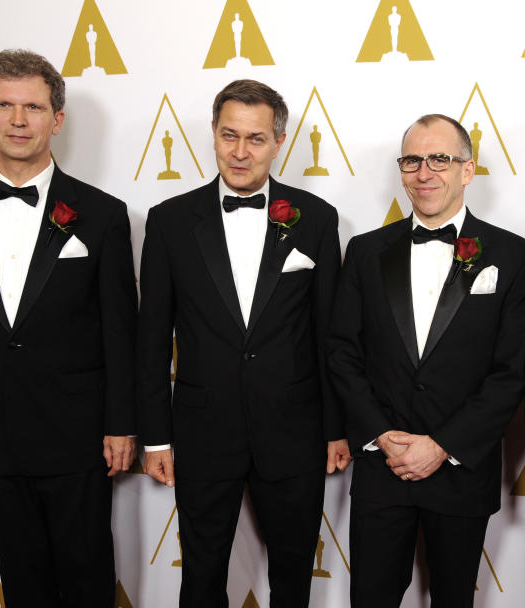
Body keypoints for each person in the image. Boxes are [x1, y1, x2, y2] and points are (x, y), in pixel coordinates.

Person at [0, 49, 137, 606]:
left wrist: (121, 423)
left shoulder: (103, 214)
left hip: (81, 436)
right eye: (5, 105)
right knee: (22, 582)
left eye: (34, 108)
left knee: (88, 578)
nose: (19, 120)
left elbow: (120, 330)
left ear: (57, 119)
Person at [137, 79, 348, 607]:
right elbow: (151, 338)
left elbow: (331, 335)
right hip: (203, 430)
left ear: (278, 141)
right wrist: (156, 438)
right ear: (212, 134)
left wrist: (336, 428)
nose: (239, 151)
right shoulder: (169, 222)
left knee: (294, 572)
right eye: (229, 135)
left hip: (295, 429)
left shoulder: (317, 219)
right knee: (202, 573)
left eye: (255, 139)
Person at [328, 114, 525, 607]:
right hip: (383, 465)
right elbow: (342, 352)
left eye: (439, 159)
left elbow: (512, 372)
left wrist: (443, 445)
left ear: (467, 170)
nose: (424, 173)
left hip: (462, 470)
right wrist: (381, 434)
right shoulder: (364, 252)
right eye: (411, 160)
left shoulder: (515, 258)